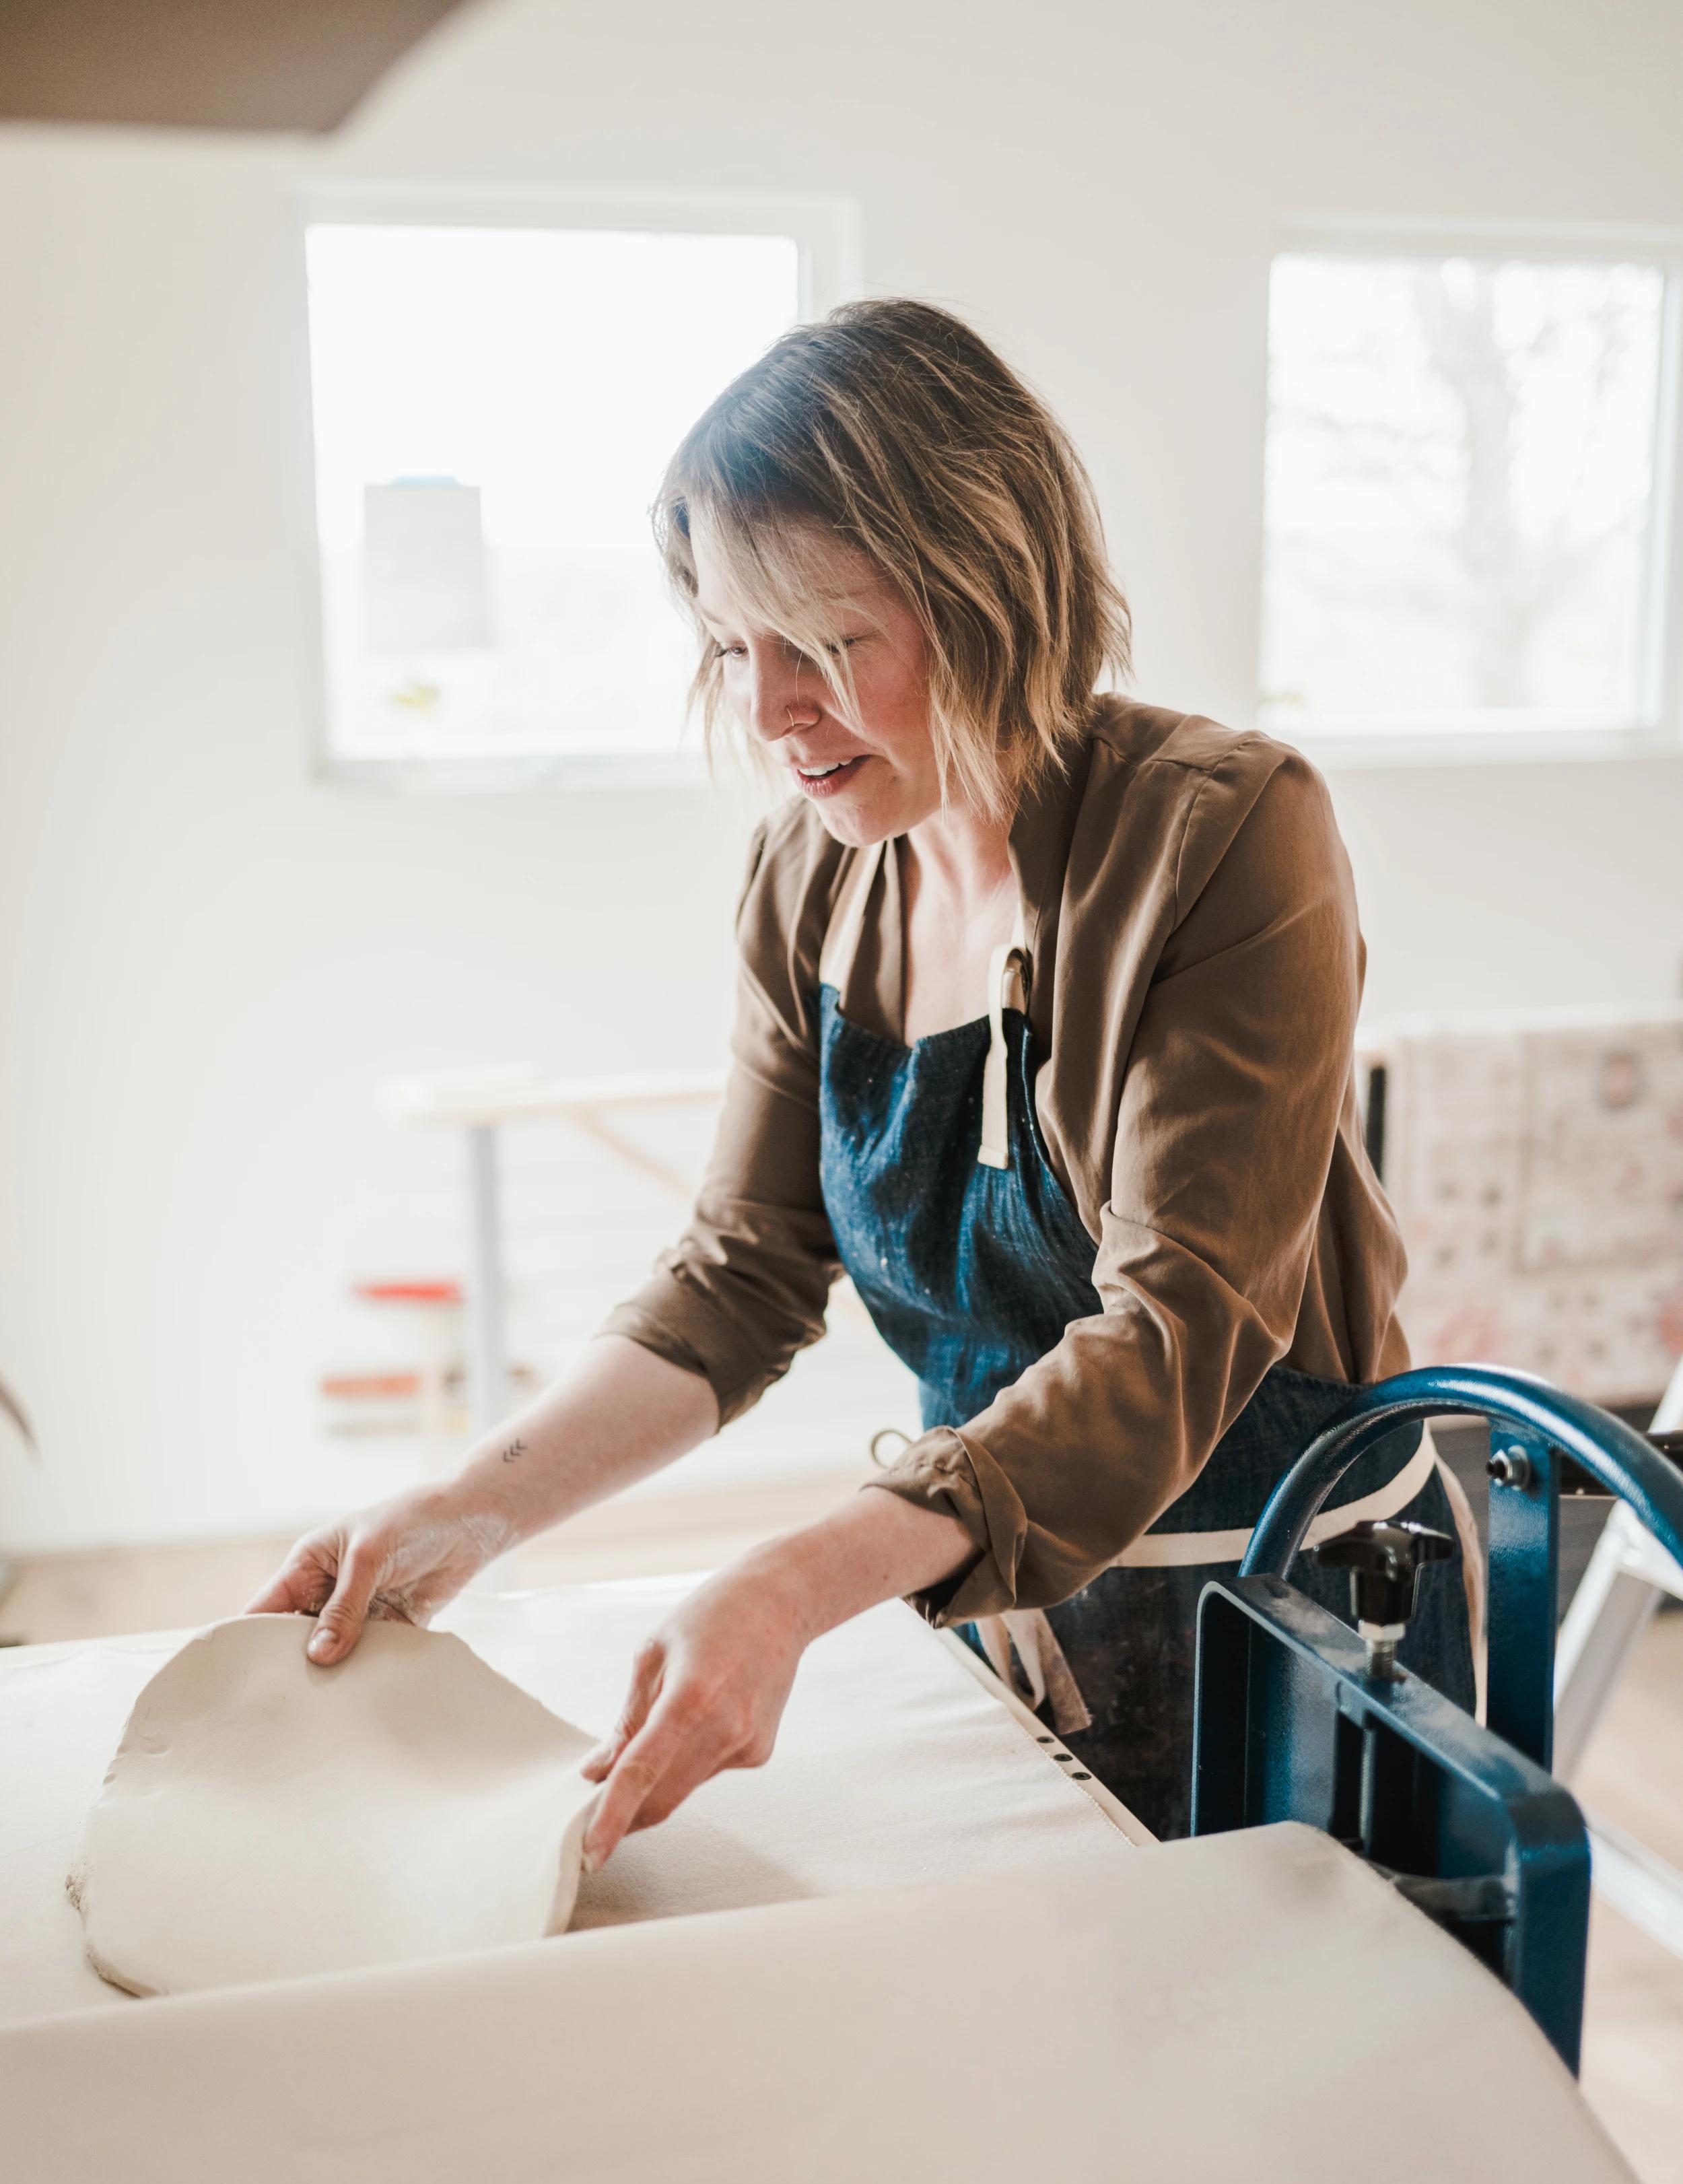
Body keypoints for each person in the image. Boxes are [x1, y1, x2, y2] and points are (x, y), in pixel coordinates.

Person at [252, 298, 1474, 1864]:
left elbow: (1175, 1328)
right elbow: (736, 1278)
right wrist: (461, 1510)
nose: (769, 715)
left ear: (989, 592)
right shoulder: (811, 882)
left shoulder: (1222, 836)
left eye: (824, 647)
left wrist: (792, 1577)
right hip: (994, 1600)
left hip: (1288, 1619)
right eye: (728, 650)